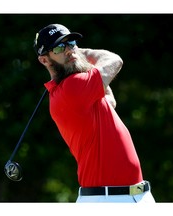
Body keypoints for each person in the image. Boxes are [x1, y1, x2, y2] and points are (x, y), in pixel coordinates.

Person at [33, 23, 155, 203]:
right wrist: (83, 53)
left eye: (71, 43)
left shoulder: (78, 90)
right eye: (59, 47)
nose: (69, 50)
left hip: (134, 196)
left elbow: (110, 101)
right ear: (44, 60)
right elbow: (114, 60)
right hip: (110, 200)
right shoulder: (73, 87)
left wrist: (73, 55)